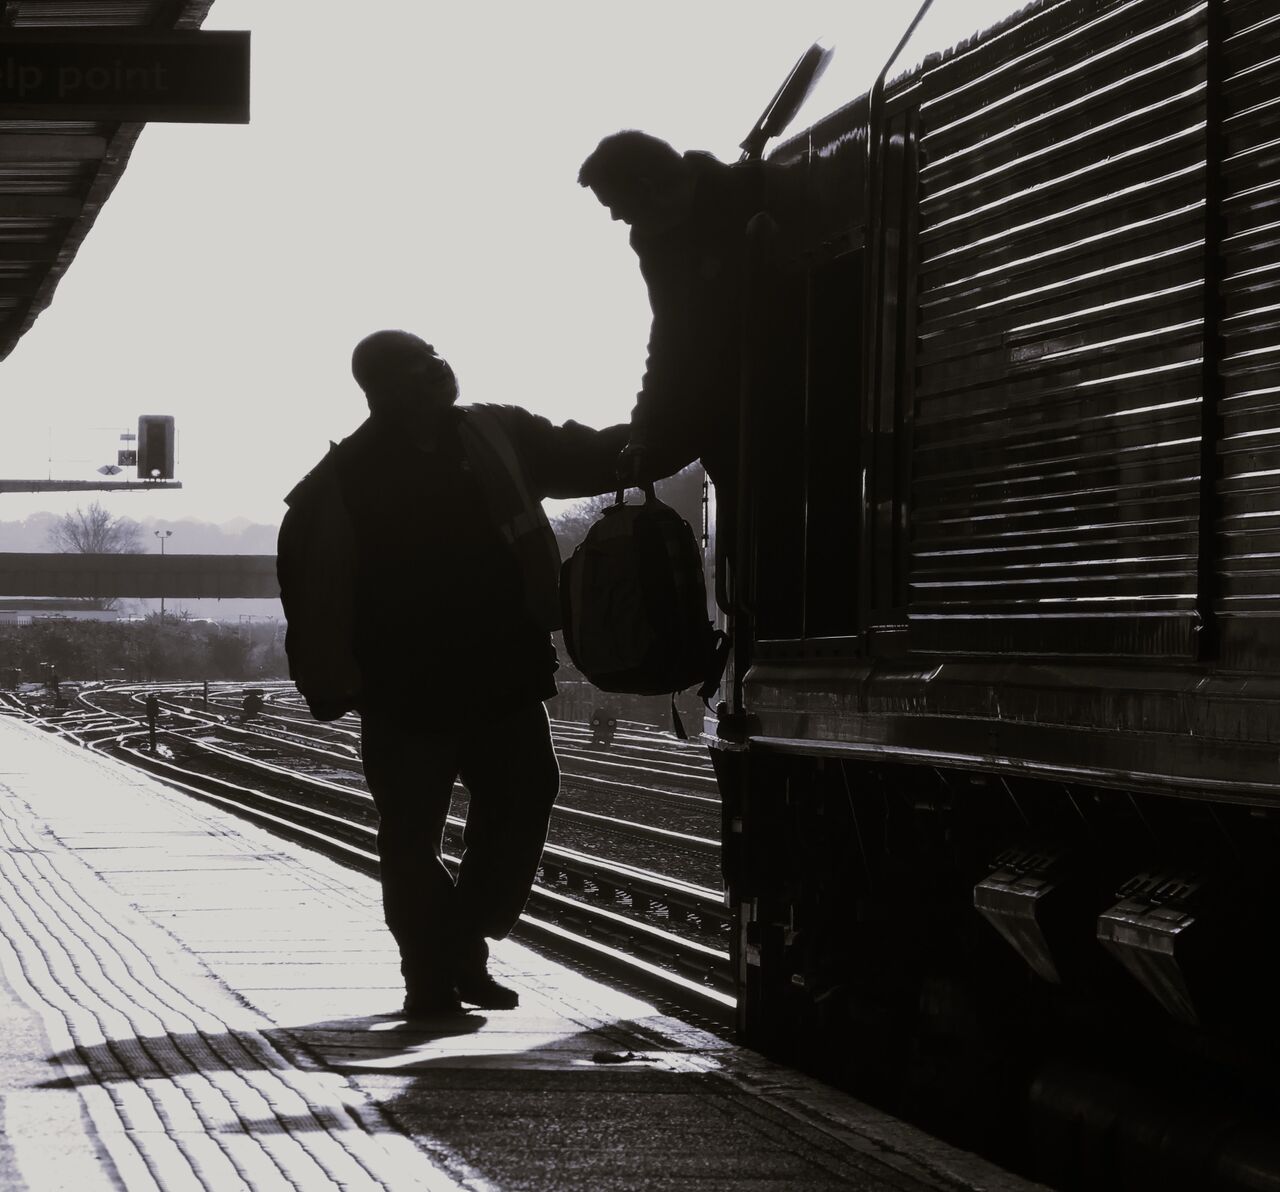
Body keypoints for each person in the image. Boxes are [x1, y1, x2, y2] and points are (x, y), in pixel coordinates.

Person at [277, 330, 628, 1016]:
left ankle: (463, 939)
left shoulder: (497, 435)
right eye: (416, 366)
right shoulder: (344, 479)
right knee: (411, 834)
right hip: (404, 688)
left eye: (435, 357)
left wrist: (674, 428)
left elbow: (589, 455)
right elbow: (314, 588)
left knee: (526, 798)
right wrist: (335, 678)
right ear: (380, 390)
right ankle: (431, 978)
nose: (437, 370)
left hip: (504, 671)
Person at [578, 130, 798, 540]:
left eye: (615, 205)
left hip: (791, 399)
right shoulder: (652, 241)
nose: (615, 219)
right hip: (727, 420)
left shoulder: (759, 190)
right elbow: (669, 335)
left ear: (646, 187)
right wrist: (642, 429)